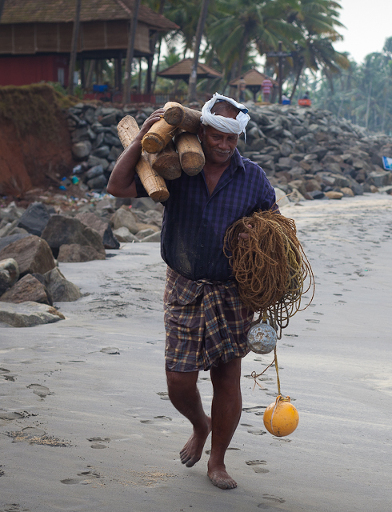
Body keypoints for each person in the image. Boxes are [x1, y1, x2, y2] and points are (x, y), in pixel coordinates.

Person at [106, 93, 277, 490]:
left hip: (232, 292)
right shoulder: (175, 166)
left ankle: (217, 461)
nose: (223, 144)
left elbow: (275, 227)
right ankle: (200, 425)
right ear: (202, 131)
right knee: (178, 381)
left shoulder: (252, 177)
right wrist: (141, 139)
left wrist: (258, 236)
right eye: (217, 135)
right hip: (183, 286)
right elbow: (117, 186)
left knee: (227, 377)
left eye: (231, 139)